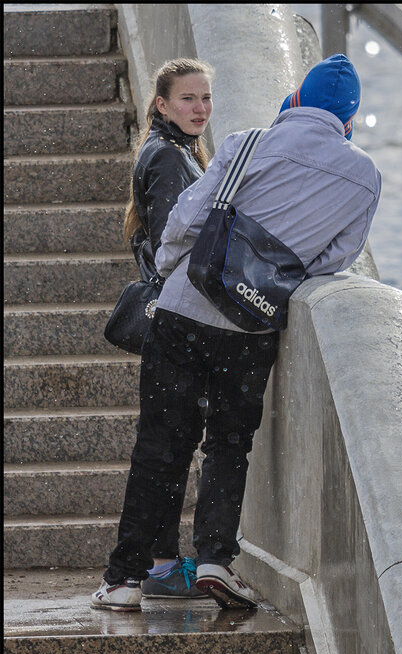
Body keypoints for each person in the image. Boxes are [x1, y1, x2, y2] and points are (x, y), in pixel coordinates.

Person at [91, 53, 381, 612]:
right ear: (348, 118)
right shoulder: (364, 175)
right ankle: (217, 559)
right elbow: (336, 258)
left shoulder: (248, 143)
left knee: (160, 446)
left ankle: (125, 580)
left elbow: (185, 221)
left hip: (184, 313)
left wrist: (175, 275)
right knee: (229, 443)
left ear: (295, 100)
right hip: (251, 327)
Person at [118, 57, 214, 600]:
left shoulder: (171, 151)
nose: (199, 108)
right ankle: (152, 567)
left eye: (204, 99)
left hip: (172, 325)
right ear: (161, 104)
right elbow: (170, 248)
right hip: (176, 326)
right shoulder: (170, 159)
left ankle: (160, 563)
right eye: (187, 99)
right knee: (167, 449)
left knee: (171, 446)